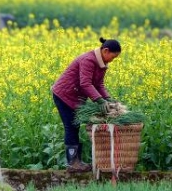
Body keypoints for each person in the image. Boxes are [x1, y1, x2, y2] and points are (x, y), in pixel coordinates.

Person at [51, 37, 122, 172]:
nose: (112, 60)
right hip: (64, 95)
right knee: (71, 126)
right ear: (105, 51)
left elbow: (98, 84)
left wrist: (108, 99)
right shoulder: (88, 60)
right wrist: (99, 100)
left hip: (75, 96)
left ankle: (76, 162)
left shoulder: (102, 64)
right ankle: (72, 163)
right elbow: (85, 84)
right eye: (113, 57)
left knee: (75, 126)